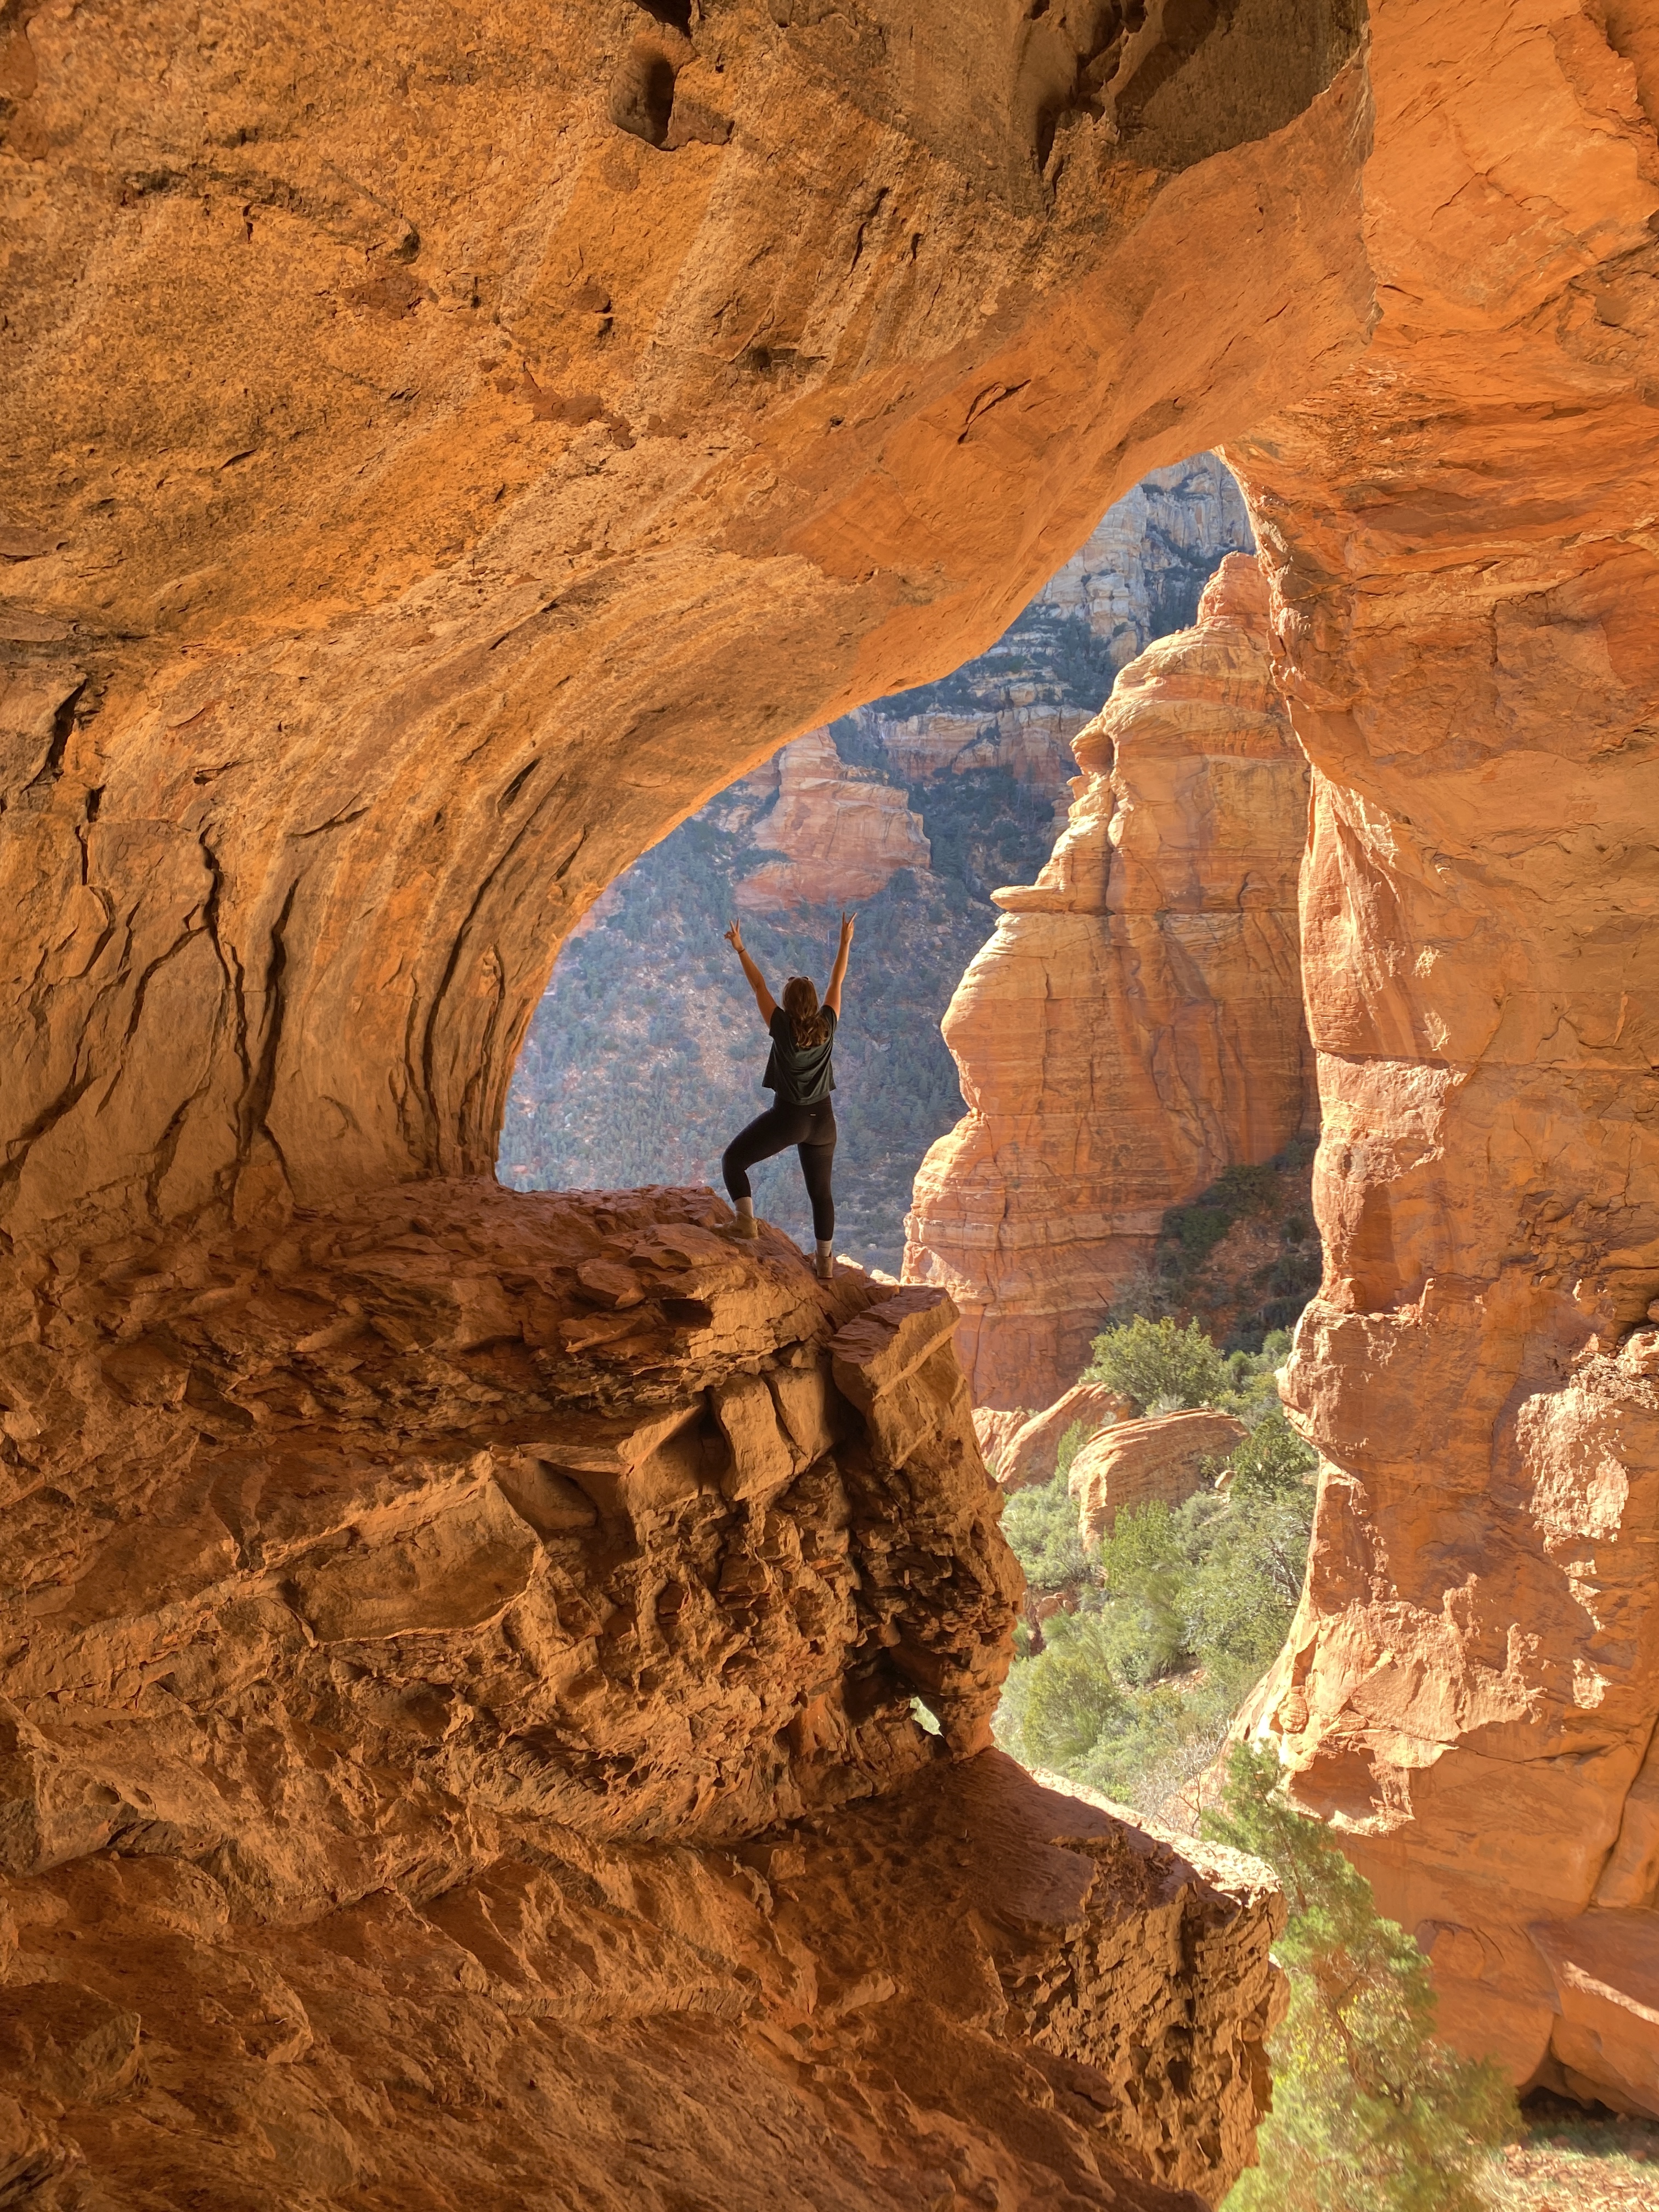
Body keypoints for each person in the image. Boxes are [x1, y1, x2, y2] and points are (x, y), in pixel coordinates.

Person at [720, 910, 854, 1282]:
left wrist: (741, 948)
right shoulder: (828, 1024)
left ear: (789, 1005)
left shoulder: (781, 1028)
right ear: (813, 1005)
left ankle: (745, 1224)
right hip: (824, 1122)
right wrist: (845, 943)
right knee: (821, 1194)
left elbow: (759, 987)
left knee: (733, 1161)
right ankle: (825, 1264)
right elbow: (837, 981)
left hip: (790, 1118)